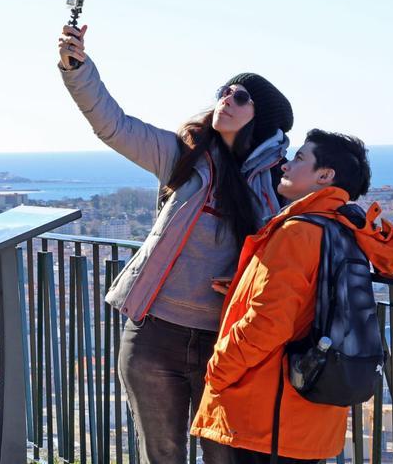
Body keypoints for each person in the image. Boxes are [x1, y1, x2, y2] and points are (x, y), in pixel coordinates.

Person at [58, 25, 293, 463]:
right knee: (162, 455)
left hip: (226, 343)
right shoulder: (182, 157)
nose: (227, 99)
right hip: (154, 335)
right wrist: (78, 70)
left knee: (224, 457)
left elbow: (297, 246)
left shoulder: (279, 184)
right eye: (226, 91)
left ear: (263, 120)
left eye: (241, 97)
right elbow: (113, 125)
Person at [190, 130, 393, 463]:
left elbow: (267, 324)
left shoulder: (297, 232)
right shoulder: (345, 231)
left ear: (325, 176)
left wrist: (217, 371)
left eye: (300, 158)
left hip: (266, 417)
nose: (285, 166)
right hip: (312, 413)